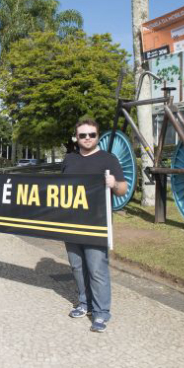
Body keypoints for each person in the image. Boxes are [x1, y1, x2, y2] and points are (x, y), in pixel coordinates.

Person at [61, 118, 127, 333]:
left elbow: (123, 189)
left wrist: (114, 184)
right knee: (77, 267)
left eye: (92, 134)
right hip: (70, 223)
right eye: (83, 135)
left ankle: (101, 313)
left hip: (96, 223)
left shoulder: (108, 159)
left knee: (97, 268)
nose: (87, 138)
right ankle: (84, 303)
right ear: (76, 137)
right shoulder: (69, 159)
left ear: (98, 136)